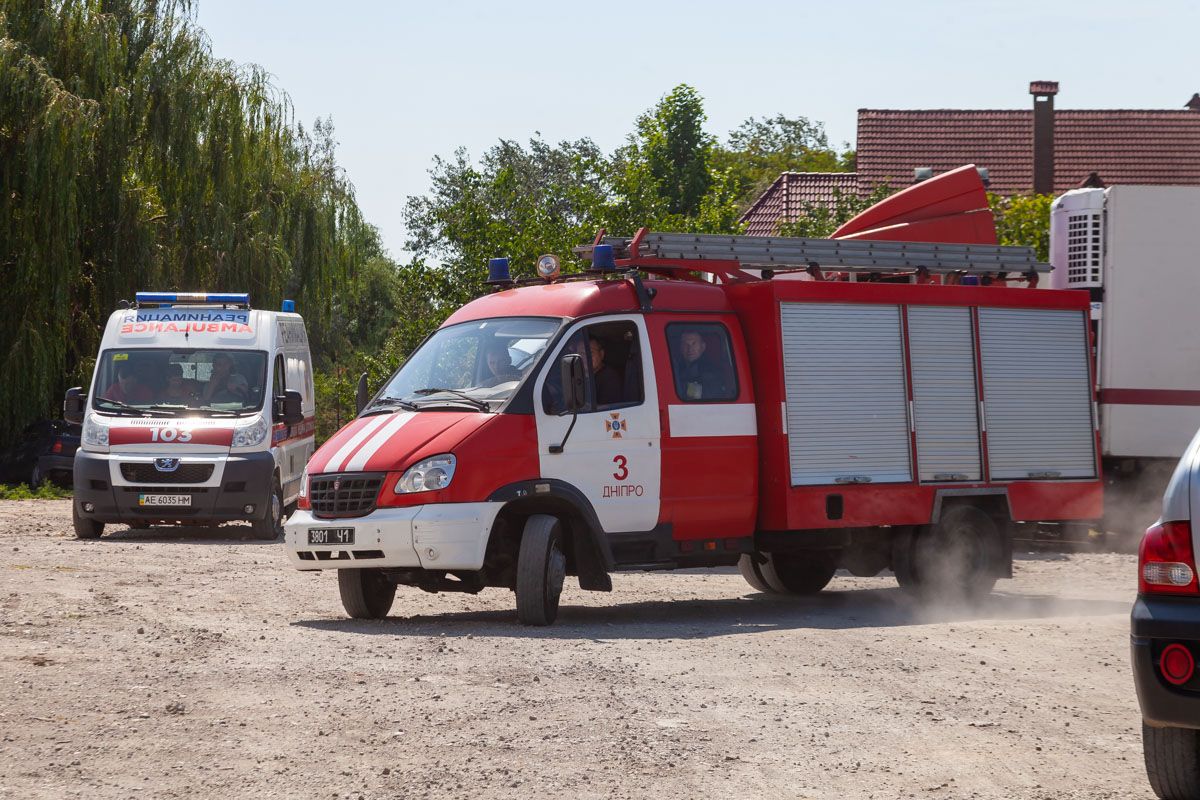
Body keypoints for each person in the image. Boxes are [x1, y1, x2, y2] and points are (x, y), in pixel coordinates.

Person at [675, 329, 728, 401]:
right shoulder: (675, 367)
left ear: (703, 347)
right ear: (681, 348)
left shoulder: (711, 370)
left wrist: (683, 386)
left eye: (694, 344)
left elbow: (707, 396)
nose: (690, 349)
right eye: (686, 344)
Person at [589, 338, 622, 407]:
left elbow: (606, 410)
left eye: (590, 352)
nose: (585, 356)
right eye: (581, 353)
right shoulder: (584, 375)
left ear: (601, 354)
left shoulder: (610, 378)